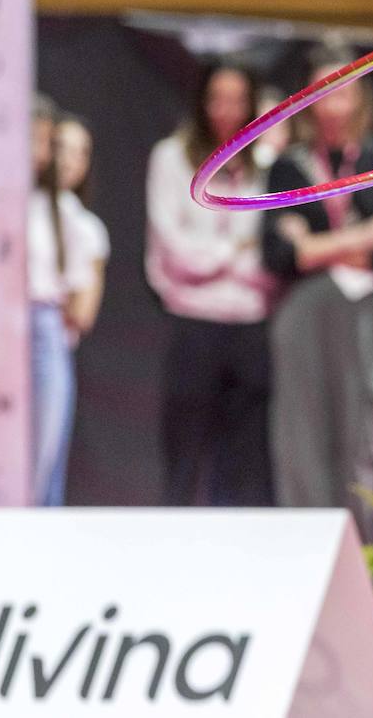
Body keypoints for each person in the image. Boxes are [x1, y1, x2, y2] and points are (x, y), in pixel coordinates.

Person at [261, 48, 373, 543]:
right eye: (322, 93)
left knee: (364, 437)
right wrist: (361, 236)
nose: (332, 105)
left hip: (364, 311)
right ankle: (307, 551)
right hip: (304, 314)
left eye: (342, 91)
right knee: (302, 440)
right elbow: (279, 255)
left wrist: (314, 245)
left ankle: (365, 559)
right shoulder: (289, 168)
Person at [145, 61, 276, 506]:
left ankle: (237, 560)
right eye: (217, 98)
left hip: (251, 325)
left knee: (243, 463)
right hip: (193, 323)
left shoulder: (267, 163)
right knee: (184, 458)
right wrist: (232, 253)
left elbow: (271, 252)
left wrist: (229, 257)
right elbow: (174, 250)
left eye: (238, 100)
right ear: (201, 102)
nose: (227, 110)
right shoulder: (171, 157)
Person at [27, 95, 95, 506]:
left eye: (44, 142)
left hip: (45, 330)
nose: (39, 152)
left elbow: (82, 302)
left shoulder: (64, 210)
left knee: (44, 458)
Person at [54, 113, 110, 345]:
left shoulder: (89, 229)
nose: (68, 161)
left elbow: (83, 313)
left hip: (56, 343)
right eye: (60, 148)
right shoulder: (16, 212)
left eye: (80, 153)